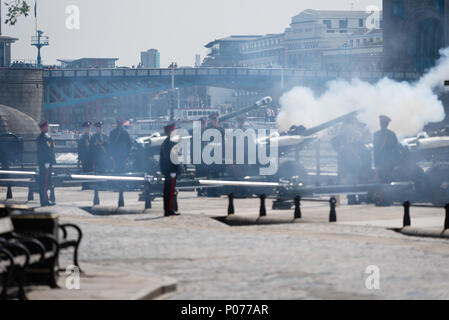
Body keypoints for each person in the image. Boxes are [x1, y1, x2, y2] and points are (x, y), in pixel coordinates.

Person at [160, 123, 181, 216]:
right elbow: (173, 158)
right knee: (170, 190)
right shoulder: (170, 142)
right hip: (171, 170)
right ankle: (169, 209)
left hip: (168, 170)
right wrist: (175, 169)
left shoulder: (166, 142)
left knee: (168, 190)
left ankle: (168, 209)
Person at [373, 115, 399, 183]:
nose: (382, 124)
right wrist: (376, 164)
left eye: (383, 123)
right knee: (381, 182)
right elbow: (375, 150)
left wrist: (396, 164)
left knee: (390, 181)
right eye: (381, 123)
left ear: (387, 124)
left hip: (390, 163)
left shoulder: (392, 134)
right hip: (380, 162)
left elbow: (396, 150)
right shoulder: (376, 134)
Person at [36, 121, 56, 206]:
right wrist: (48, 162)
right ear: (43, 128)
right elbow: (47, 152)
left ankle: (44, 200)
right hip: (46, 164)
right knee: (45, 183)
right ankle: (45, 201)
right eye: (47, 127)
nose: (48, 128)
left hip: (43, 163)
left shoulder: (41, 137)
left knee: (44, 182)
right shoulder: (45, 138)